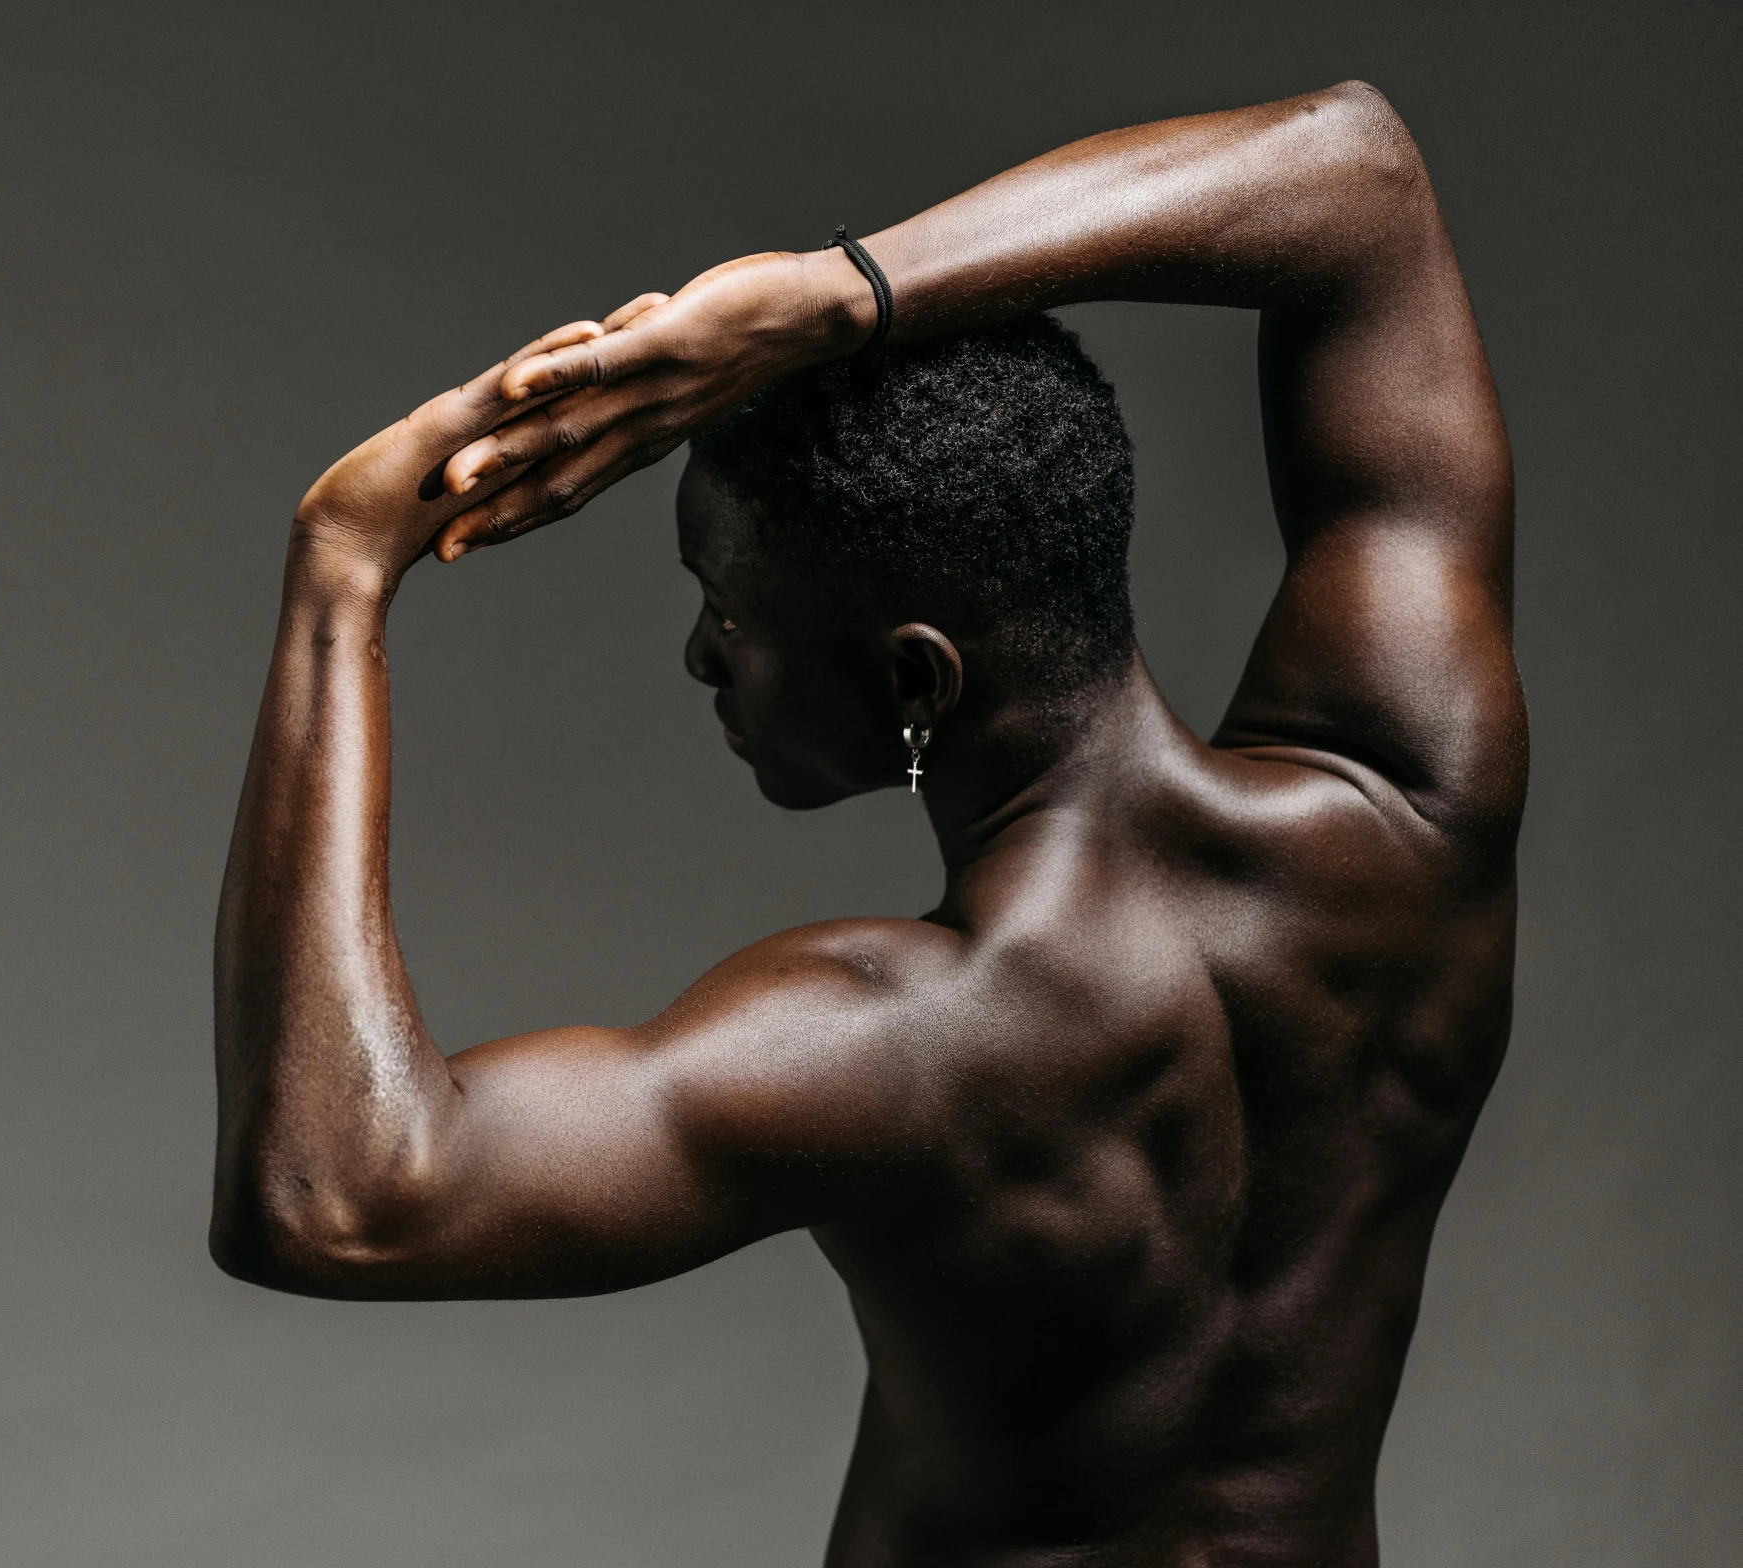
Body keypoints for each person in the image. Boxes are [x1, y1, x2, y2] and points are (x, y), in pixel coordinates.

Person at [212, 80, 1524, 1567]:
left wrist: (339, 574)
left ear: (916, 677)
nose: (701, 658)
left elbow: (338, 1201)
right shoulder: (1408, 812)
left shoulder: (900, 1041)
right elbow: (1359, 181)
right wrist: (844, 299)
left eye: (729, 613)